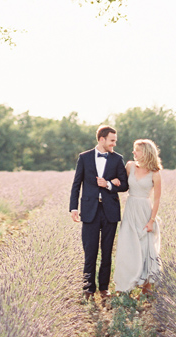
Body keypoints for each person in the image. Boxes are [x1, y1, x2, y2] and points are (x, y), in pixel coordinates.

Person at [69, 125, 128, 299]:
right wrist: (73, 207)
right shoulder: (84, 158)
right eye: (112, 141)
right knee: (90, 251)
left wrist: (108, 184)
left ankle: (104, 288)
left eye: (115, 141)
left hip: (110, 211)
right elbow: (76, 184)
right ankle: (88, 288)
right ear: (101, 139)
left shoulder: (118, 159)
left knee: (107, 251)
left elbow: (125, 185)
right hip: (89, 211)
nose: (114, 144)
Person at [113, 138, 162, 295]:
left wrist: (151, 221)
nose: (133, 152)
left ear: (146, 152)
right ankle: (124, 285)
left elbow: (157, 199)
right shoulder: (130, 166)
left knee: (146, 247)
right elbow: (123, 183)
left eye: (137, 150)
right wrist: (114, 182)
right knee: (127, 246)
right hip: (130, 209)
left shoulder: (155, 173)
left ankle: (146, 286)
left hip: (145, 211)